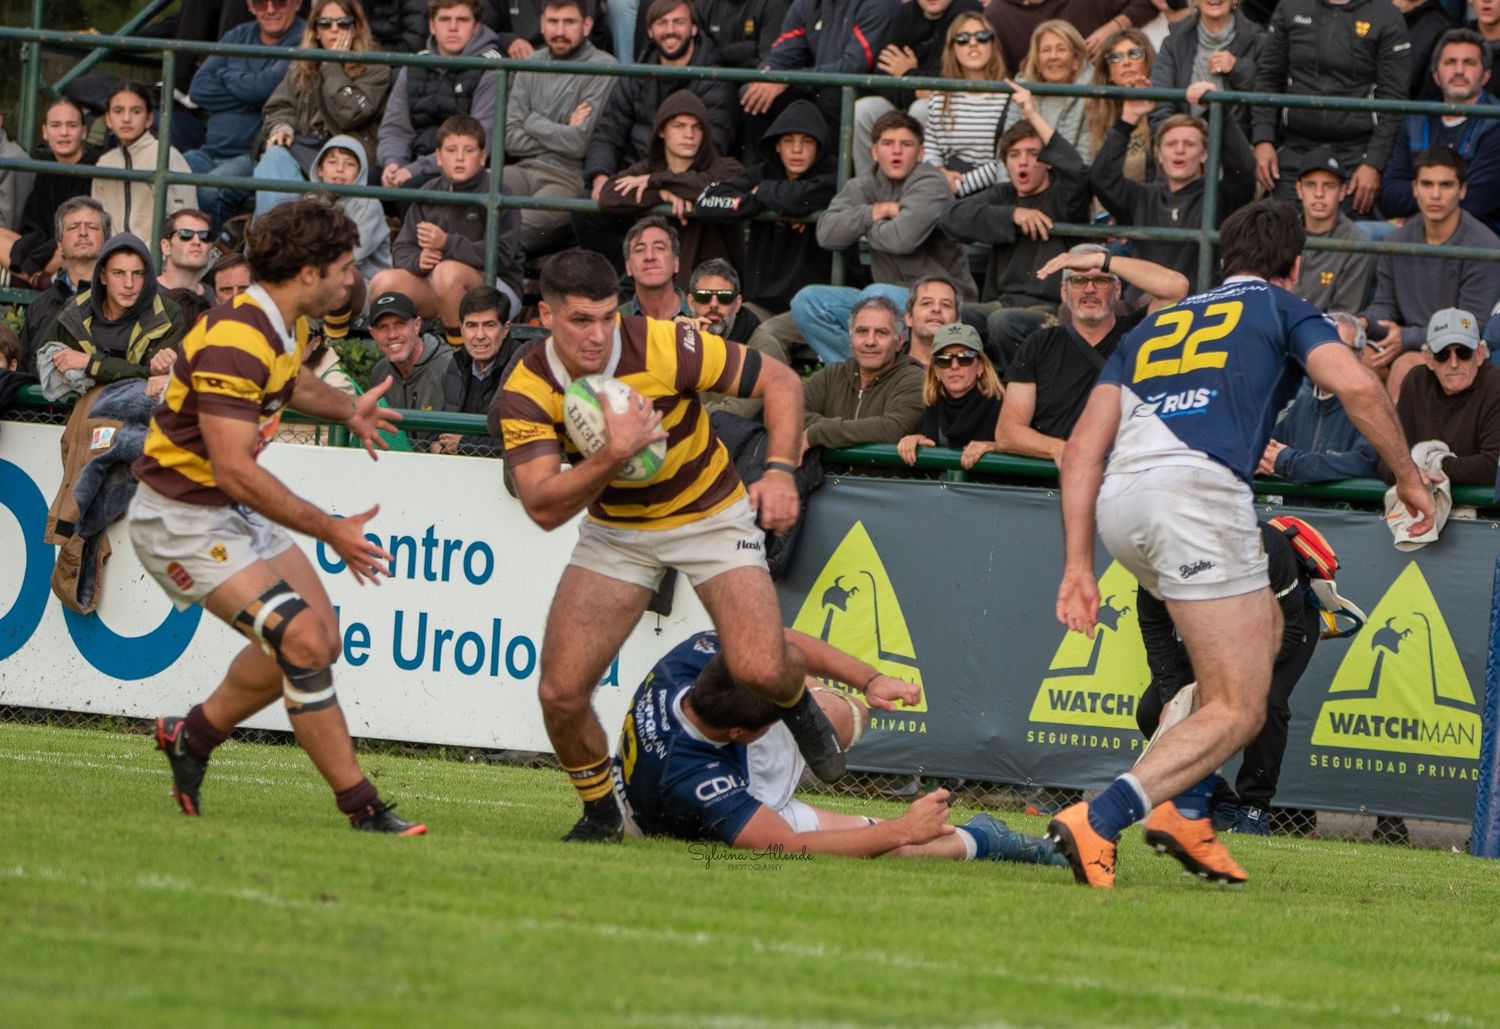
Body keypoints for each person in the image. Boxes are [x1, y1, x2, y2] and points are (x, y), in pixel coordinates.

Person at [1051, 199, 1432, 889]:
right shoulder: (1283, 308)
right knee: (1242, 704)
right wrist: (1407, 477)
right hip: (1198, 497)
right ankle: (1102, 816)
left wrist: (1079, 563)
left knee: (1252, 641)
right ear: (1295, 267)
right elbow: (1357, 385)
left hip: (1120, 503)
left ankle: (1189, 811)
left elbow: (1080, 450)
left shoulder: (1155, 324)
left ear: (1223, 261)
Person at [494, 247, 841, 842]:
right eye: (581, 320)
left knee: (760, 667)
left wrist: (780, 469)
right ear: (545, 316)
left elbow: (781, 380)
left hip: (710, 514)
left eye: (608, 315)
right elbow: (543, 507)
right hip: (618, 535)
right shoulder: (527, 388)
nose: (600, 334)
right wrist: (613, 454)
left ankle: (798, 702)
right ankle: (604, 813)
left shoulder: (663, 343)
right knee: (560, 691)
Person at [132, 197, 425, 834]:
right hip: (180, 519)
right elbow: (236, 467)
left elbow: (289, 384)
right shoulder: (239, 334)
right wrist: (332, 528)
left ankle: (193, 734)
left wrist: (349, 410)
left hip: (223, 506)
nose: (354, 280)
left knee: (320, 638)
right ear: (308, 271)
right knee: (303, 641)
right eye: (345, 267)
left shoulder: (281, 323)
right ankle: (363, 806)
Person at [612, 627, 1066, 866]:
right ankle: (992, 839)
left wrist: (869, 679)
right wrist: (900, 830)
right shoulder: (693, 778)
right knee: (896, 848)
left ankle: (1005, 842)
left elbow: (785, 641)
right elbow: (784, 848)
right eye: (786, 715)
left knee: (838, 715)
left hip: (709, 758)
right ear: (743, 733)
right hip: (689, 808)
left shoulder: (697, 657)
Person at [1134, 522, 1322, 835]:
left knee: (1267, 701)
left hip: (1282, 628)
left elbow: (1290, 631)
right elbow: (1155, 626)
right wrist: (1170, 695)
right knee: (1153, 711)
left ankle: (1254, 808)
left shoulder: (1266, 549)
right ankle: (1217, 797)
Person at [797, 111, 977, 365]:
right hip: (887, 301)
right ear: (874, 152)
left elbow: (900, 239)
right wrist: (875, 211)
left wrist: (862, 225)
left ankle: (880, 373)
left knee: (875, 296)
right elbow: (826, 234)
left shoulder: (932, 182)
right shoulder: (864, 185)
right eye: (888, 144)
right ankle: (863, 373)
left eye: (906, 144)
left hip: (940, 301)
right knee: (808, 301)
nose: (896, 152)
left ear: (921, 152)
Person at [939, 81, 1090, 372]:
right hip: (1002, 302)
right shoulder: (1003, 195)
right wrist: (1012, 216)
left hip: (1050, 309)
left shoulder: (1063, 196)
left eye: (1033, 154)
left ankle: (1017, 390)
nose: (1023, 162)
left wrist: (1031, 112)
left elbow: (1076, 169)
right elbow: (950, 217)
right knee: (950, 314)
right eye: (1014, 154)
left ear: (1047, 162)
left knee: (1003, 322)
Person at [995, 245, 1188, 462]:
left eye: (1101, 280)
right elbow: (1007, 433)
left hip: (1122, 478)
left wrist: (1099, 260)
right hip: (1053, 483)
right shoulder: (1038, 345)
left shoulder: (1139, 332)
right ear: (1063, 291)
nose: (1089, 289)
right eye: (1078, 281)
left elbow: (1176, 288)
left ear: (1117, 290)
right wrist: (1060, 449)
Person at [370, 114, 524, 346]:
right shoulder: (429, 191)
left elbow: (501, 256)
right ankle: (403, 359)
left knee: (447, 272)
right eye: (451, 150)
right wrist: (417, 261)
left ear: (483, 157)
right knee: (383, 282)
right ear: (439, 157)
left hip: (497, 290)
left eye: (469, 150)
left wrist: (446, 244)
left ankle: (462, 361)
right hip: (440, 289)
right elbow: (402, 247)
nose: (459, 157)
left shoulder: (498, 192)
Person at [1360, 147, 1500, 399]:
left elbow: (1472, 324)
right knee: (1356, 357)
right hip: (1406, 342)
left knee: (1405, 368)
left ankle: (1396, 441)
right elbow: (1385, 304)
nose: (1435, 195)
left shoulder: (1485, 246)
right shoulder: (1398, 240)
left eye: (1446, 185)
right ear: (1414, 188)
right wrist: (1364, 323)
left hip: (1456, 350)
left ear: (1462, 190)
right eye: (1427, 184)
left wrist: (1406, 338)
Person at [1250, 0, 1410, 213]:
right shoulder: (1291, 6)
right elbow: (1268, 78)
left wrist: (1373, 163)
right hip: (1295, 148)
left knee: (1346, 241)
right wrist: (1263, 139)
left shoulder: (1386, 15)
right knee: (1281, 234)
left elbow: (1394, 100)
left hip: (1356, 154)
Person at [1090, 85, 1256, 287]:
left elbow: (1244, 170)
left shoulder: (1219, 196)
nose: (1180, 150)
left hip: (1197, 307)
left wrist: (1216, 110)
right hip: (1146, 308)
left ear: (1204, 154)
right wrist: (1127, 120)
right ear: (1159, 155)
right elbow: (1101, 178)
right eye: (1171, 144)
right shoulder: (1141, 197)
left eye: (1189, 144)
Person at [251, 0, 393, 218]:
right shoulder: (302, 64)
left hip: (348, 154)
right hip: (306, 147)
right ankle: (274, 239)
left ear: (356, 27)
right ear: (316, 31)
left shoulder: (375, 65)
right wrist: (282, 126)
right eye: (325, 24)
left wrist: (332, 64)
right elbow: (280, 105)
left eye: (343, 23)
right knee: (274, 157)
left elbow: (350, 114)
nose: (334, 30)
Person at [694, 99, 836, 314]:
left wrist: (762, 192)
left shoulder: (832, 176)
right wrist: (756, 203)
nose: (797, 149)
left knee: (763, 337)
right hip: (760, 302)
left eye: (807, 141)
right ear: (777, 145)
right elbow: (706, 202)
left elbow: (800, 198)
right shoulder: (762, 172)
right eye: (788, 140)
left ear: (819, 146)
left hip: (815, 308)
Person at [585, 91, 745, 282]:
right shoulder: (649, 167)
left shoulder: (726, 167)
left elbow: (708, 187)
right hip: (658, 280)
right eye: (679, 126)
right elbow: (608, 196)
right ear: (661, 131)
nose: (689, 135)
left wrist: (656, 182)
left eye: (697, 127)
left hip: (712, 285)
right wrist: (663, 194)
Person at [584, 0, 739, 195]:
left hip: (685, 187)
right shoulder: (635, 77)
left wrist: (664, 183)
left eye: (679, 22)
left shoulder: (716, 82)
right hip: (633, 182)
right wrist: (600, 178)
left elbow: (712, 151)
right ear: (649, 31)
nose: (670, 30)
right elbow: (607, 133)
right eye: (662, 23)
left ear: (693, 28)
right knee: (586, 211)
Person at [502, 0, 618, 253]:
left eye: (569, 22)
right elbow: (509, 136)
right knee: (466, 204)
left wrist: (531, 120)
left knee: (513, 230)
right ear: (542, 25)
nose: (560, 31)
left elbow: (579, 144)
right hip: (522, 169)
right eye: (553, 22)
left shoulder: (604, 67)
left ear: (587, 25)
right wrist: (563, 128)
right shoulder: (530, 62)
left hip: (568, 177)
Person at [185, 0, 307, 229]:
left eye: (279, 2)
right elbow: (199, 89)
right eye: (261, 3)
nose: (270, 9)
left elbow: (267, 88)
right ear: (250, 6)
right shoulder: (238, 34)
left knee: (212, 191)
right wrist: (253, 98)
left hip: (255, 156)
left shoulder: (303, 37)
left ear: (297, 3)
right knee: (164, 176)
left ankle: (217, 255)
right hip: (208, 152)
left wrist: (224, 75)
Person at [39, 233, 188, 400]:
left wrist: (91, 364)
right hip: (78, 416)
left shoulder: (167, 314)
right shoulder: (76, 310)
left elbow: (151, 377)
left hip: (141, 419)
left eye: (137, 273)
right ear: (103, 276)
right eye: (118, 273)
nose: (129, 284)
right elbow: (44, 362)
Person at [1380, 29, 1500, 234]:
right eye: (1450, 62)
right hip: (1415, 231)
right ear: (1436, 75)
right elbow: (1390, 194)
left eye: (1469, 63)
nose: (1459, 70)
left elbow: (1477, 201)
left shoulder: (1496, 122)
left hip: (1478, 235)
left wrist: (1414, 217)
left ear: (1486, 75)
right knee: (1365, 232)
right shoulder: (1416, 118)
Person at [377, 0, 504, 194]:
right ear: (432, 25)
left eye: (462, 20)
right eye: (445, 19)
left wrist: (415, 170)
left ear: (476, 26)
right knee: (368, 182)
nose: (453, 28)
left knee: (413, 189)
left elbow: (481, 138)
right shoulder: (413, 65)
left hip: (459, 168)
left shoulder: (492, 69)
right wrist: (392, 163)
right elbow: (395, 128)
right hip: (411, 164)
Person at [852, 0, 986, 179]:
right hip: (904, 103)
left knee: (923, 108)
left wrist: (908, 73)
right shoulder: (906, 13)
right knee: (864, 108)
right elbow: (883, 74)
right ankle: (869, 186)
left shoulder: (966, 11)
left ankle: (920, 187)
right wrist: (916, 87)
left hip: (952, 111)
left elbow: (948, 76)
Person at [1381, 306, 1500, 488]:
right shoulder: (1416, 381)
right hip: (1422, 504)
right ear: (1428, 358)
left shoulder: (1496, 383)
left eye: (1463, 353)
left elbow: (1494, 466)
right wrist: (1411, 473)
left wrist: (1434, 466)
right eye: (1443, 354)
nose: (1453, 363)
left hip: (1484, 512)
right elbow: (1386, 458)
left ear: (1480, 355)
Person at [1259, 311, 1380, 482]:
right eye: (1319, 346)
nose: (1327, 357)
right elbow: (1267, 449)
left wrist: (1287, 461)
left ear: (1360, 356)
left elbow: (1364, 464)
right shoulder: (1302, 405)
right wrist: (1260, 459)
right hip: (1294, 509)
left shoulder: (1372, 407)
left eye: (1339, 348)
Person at [801, 294, 926, 453]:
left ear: (899, 341)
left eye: (881, 332)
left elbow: (892, 429)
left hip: (882, 477)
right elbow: (791, 414)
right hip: (828, 477)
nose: (870, 341)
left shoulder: (913, 378)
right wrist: (849, 431)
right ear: (851, 338)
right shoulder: (831, 374)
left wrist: (819, 432)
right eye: (862, 331)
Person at [0, 97, 100, 284]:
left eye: (72, 126)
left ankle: (31, 278)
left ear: (84, 132)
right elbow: (34, 226)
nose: (63, 133)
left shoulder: (98, 167)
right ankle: (37, 279)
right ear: (45, 132)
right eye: (55, 125)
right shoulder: (43, 167)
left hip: (77, 249)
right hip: (43, 247)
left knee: (71, 242)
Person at [915, 11, 1011, 197]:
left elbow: (1006, 159)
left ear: (993, 44)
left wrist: (961, 186)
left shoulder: (1008, 97)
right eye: (962, 38)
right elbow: (932, 153)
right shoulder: (940, 97)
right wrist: (942, 177)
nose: (973, 43)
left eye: (982, 37)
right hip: (945, 190)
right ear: (952, 47)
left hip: (990, 193)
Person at [305, 136, 392, 339]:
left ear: (360, 171)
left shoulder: (369, 204)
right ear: (319, 169)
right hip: (316, 276)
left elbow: (354, 254)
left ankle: (334, 344)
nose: (339, 169)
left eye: (350, 164)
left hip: (364, 288)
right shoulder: (309, 200)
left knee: (343, 272)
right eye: (332, 162)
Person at [90, 83, 195, 247]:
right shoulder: (105, 163)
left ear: (148, 119)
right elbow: (100, 221)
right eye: (118, 111)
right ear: (108, 119)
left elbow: (184, 220)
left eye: (136, 111)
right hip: (114, 257)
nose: (126, 119)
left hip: (159, 259)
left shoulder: (167, 156)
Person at [992, 21, 1096, 173]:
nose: (1053, 56)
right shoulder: (1022, 90)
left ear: (1076, 61)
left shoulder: (1092, 95)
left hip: (1070, 188)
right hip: (1023, 188)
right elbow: (1005, 154)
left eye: (1061, 49)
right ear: (1038, 62)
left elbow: (1083, 164)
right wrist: (1007, 193)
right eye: (1046, 50)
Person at [19, 198, 109, 372]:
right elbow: (25, 367)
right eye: (73, 227)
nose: (83, 233)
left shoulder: (120, 300)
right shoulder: (39, 306)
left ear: (105, 239)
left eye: (92, 227)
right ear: (59, 243)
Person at [1149, 0, 1262, 136]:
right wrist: (1176, 137)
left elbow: (1270, 93)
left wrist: (1237, 68)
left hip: (1241, 144)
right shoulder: (1173, 42)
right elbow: (1160, 101)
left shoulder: (1258, 39)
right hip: (1183, 142)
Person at [897, 322, 1002, 469]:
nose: (954, 366)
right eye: (944, 359)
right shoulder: (931, 406)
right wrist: (916, 441)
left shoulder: (1002, 405)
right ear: (936, 371)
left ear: (980, 366)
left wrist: (997, 448)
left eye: (965, 357)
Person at [1293, 147, 1375, 314]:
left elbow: (1344, 315)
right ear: (1299, 189)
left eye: (1329, 186)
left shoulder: (1357, 243)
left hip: (1323, 335)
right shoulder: (1280, 232)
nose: (1319, 193)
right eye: (1310, 185)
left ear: (1343, 191)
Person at [983, 0, 1158, 74]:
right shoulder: (997, 14)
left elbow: (1150, 3)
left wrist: (1113, 28)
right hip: (1030, 109)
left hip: (1098, 102)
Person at [434, 286, 511, 455]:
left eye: (489, 325)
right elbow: (446, 427)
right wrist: (437, 443)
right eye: (472, 326)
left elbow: (524, 442)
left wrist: (465, 445)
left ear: (505, 329)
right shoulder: (456, 364)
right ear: (461, 329)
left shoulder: (523, 368)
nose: (480, 335)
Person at [367, 290, 456, 429]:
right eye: (383, 327)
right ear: (373, 334)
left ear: (416, 325)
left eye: (400, 324)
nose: (392, 335)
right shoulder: (379, 372)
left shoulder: (449, 366)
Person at [1084, 29, 1156, 175]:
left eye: (1134, 54)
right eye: (1116, 57)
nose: (1126, 62)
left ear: (1148, 61)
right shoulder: (1094, 110)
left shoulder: (1163, 107)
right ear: (1108, 72)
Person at [618, 216, 692, 319]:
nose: (649, 256)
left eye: (659, 248)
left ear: (676, 262)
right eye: (639, 249)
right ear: (628, 266)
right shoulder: (616, 322)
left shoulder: (700, 314)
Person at [157, 209, 216, 325]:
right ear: (166, 246)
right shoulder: (144, 293)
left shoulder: (214, 296)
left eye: (205, 236)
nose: (197, 241)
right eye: (186, 234)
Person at [685, 258, 759, 341]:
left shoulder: (760, 344)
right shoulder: (677, 335)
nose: (714, 304)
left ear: (737, 304)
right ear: (691, 302)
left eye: (724, 296)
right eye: (704, 296)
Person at [901, 275, 963, 367]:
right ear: (909, 317)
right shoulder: (888, 367)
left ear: (957, 321)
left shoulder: (971, 370)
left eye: (946, 304)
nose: (936, 309)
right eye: (926, 303)